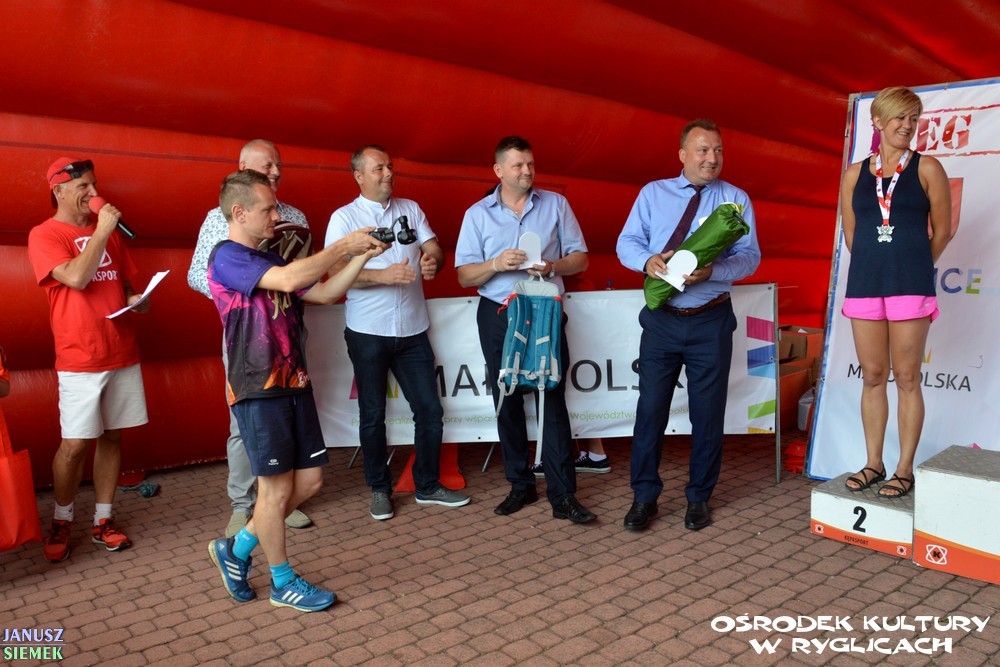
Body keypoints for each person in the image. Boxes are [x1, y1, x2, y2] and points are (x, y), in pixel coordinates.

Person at [206, 169, 385, 612]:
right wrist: (343, 246)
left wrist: (361, 256)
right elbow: (289, 282)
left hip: (294, 382)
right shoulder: (227, 256)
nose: (275, 216)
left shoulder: (271, 259)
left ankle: (236, 549)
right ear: (239, 212)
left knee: (309, 482)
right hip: (258, 386)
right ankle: (282, 583)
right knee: (274, 493)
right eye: (267, 209)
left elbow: (323, 294)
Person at [616, 119, 761, 531]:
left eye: (718, 150)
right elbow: (626, 242)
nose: (712, 158)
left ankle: (699, 497)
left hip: (711, 320)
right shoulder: (653, 194)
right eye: (702, 150)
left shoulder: (735, 199)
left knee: (707, 416)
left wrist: (714, 271)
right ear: (682, 155)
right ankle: (644, 497)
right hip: (661, 321)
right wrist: (646, 261)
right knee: (650, 412)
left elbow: (750, 257)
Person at [456, 135, 596, 524]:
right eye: (518, 165)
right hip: (498, 312)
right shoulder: (477, 214)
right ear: (499, 170)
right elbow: (464, 275)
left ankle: (563, 495)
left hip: (544, 309)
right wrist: (496, 264)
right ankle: (521, 485)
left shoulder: (556, 204)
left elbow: (581, 259)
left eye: (530, 164)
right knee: (507, 398)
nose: (527, 171)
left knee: (552, 395)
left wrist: (553, 266)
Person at [326, 145, 470, 520]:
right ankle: (379, 489)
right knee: (373, 415)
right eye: (379, 168)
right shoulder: (344, 218)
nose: (389, 173)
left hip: (412, 330)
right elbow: (335, 273)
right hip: (367, 332)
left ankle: (427, 485)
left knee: (430, 411)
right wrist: (382, 276)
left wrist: (432, 261)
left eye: (390, 166)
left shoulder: (411, 208)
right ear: (359, 176)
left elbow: (434, 249)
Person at [27, 157, 152, 561]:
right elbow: (77, 277)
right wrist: (102, 230)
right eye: (83, 187)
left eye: (94, 185)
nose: (94, 194)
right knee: (75, 445)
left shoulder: (109, 233)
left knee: (112, 437)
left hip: (121, 350)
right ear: (58, 191)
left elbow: (124, 284)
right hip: (79, 356)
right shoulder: (44, 234)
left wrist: (137, 299)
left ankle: (103, 519)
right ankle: (62, 519)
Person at [188, 139, 314, 538]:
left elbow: (302, 275)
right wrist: (249, 286)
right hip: (246, 335)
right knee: (243, 424)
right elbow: (197, 275)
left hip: (289, 328)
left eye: (278, 164)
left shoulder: (295, 216)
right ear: (243, 167)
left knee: (286, 417)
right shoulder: (217, 218)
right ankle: (242, 504)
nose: (275, 171)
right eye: (266, 165)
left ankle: (279, 500)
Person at [840, 86, 952, 498]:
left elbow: (944, 230)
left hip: (910, 285)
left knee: (906, 377)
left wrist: (916, 263)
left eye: (914, 119)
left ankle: (904, 469)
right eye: (900, 118)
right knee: (872, 376)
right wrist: (877, 262)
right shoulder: (854, 175)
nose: (908, 126)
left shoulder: (928, 168)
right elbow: (852, 235)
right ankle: (874, 463)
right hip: (865, 285)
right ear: (878, 121)